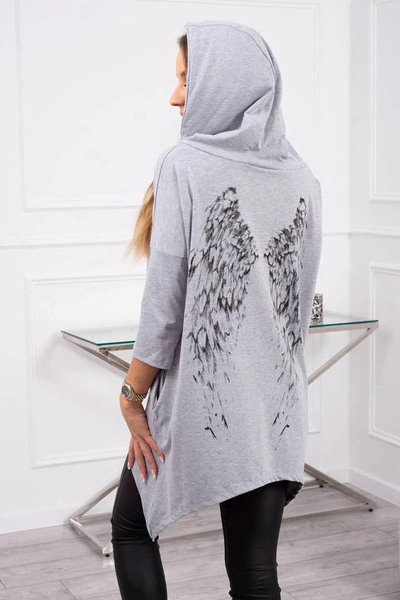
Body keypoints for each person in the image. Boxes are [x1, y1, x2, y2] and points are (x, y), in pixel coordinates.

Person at [111, 20, 322, 600]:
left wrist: (131, 397)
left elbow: (165, 308)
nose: (174, 96)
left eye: (186, 80)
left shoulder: (184, 164)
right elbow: (296, 314)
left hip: (202, 401)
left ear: (223, 83)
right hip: (275, 406)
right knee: (255, 573)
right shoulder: (303, 177)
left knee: (131, 529)